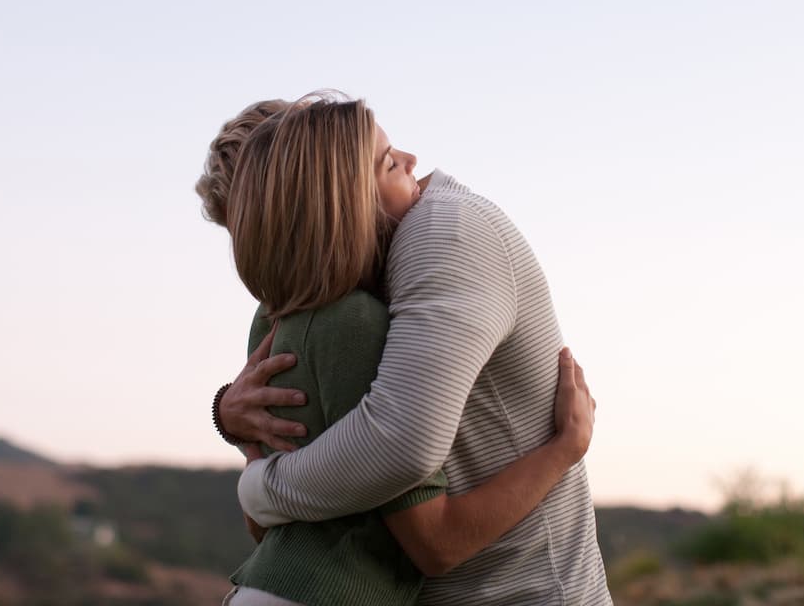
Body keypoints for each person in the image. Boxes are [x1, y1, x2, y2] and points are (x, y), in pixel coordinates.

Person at [198, 97, 597, 606]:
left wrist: (256, 483)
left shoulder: (439, 237)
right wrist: (565, 450)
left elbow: (392, 460)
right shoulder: (332, 317)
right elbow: (424, 532)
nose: (414, 161)